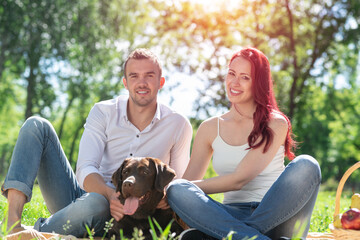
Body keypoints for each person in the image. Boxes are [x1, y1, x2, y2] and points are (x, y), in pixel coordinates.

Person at [1, 48, 193, 237]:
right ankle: (12, 225)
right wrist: (111, 196)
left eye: (149, 76)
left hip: (135, 213)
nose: (141, 83)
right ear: (125, 83)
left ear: (161, 82)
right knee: (36, 125)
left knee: (96, 203)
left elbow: (179, 184)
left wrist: (161, 196)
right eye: (134, 76)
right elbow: (85, 168)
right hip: (85, 200)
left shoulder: (178, 124)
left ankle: (38, 233)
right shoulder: (103, 112)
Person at [166, 47, 321, 240]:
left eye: (245, 77)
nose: (234, 82)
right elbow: (187, 185)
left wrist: (189, 188)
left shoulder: (275, 122)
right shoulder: (210, 128)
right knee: (177, 189)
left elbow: (240, 179)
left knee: (307, 164)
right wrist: (173, 191)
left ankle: (233, 235)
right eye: (231, 73)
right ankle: (248, 235)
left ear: (258, 83)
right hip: (229, 215)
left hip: (279, 216)